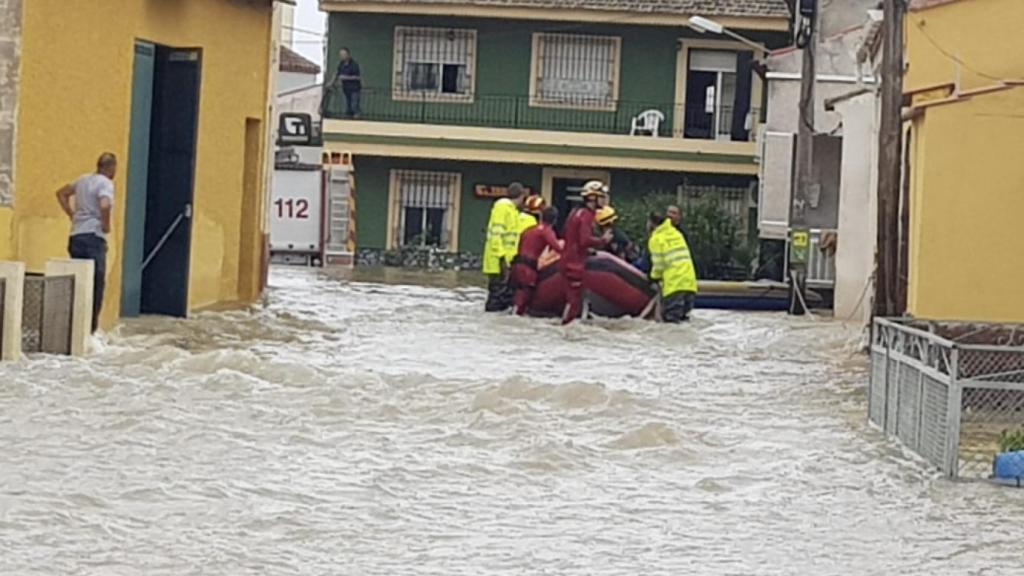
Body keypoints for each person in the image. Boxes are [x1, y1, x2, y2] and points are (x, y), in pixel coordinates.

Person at [55, 152, 117, 333]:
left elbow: (61, 193)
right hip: (93, 237)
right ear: (111, 168)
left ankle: (72, 327)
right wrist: (105, 225)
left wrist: (72, 214)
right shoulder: (105, 183)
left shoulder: (82, 180)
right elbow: (105, 205)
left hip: (76, 236)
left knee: (78, 282)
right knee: (96, 284)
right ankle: (90, 330)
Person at [560, 180, 612, 324]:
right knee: (574, 302)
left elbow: (571, 237)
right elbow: (584, 240)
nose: (604, 200)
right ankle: (566, 328)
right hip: (573, 263)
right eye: (601, 196)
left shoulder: (576, 212)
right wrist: (602, 240)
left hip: (570, 259)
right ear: (592, 198)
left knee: (576, 300)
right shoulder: (586, 215)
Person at [647, 211, 699, 323]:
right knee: (683, 321)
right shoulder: (676, 233)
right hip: (690, 284)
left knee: (670, 323)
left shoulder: (656, 239)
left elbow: (659, 264)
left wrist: (653, 277)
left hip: (674, 286)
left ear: (652, 223)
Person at [511, 206, 562, 316]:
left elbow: (520, 246)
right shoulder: (547, 231)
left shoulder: (529, 230)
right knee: (525, 297)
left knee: (518, 294)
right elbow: (558, 248)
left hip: (516, 265)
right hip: (528, 269)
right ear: (555, 220)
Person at [482, 183, 526, 312]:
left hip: (504, 259)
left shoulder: (512, 211)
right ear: (521, 196)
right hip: (498, 260)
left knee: (501, 295)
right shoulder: (503, 208)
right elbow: (497, 233)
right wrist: (501, 256)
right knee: (496, 295)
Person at [335, 48, 362, 118]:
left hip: (354, 89)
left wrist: (345, 77)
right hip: (346, 89)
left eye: (343, 54)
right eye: (340, 54)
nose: (342, 56)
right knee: (347, 107)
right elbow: (336, 74)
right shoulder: (341, 64)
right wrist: (331, 83)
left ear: (348, 55)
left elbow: (357, 77)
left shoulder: (354, 65)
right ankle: (348, 118)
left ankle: (357, 117)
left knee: (354, 106)